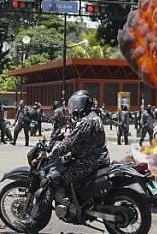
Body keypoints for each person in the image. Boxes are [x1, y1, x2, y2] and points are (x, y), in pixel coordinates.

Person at [18, 90, 110, 229]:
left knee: (50, 180)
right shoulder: (94, 117)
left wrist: (50, 152)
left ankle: (35, 223)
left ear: (85, 104)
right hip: (98, 159)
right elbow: (76, 140)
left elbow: (70, 144)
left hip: (88, 163)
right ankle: (75, 203)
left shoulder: (86, 122)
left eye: (78, 104)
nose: (75, 107)